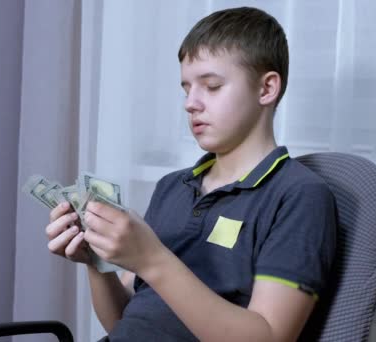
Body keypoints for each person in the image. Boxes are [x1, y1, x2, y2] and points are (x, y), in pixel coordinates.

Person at [45, 6, 336, 342]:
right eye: (187, 89)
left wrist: (153, 259)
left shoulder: (298, 196)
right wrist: (98, 263)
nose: (190, 103)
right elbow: (126, 323)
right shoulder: (173, 188)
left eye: (211, 86)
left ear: (266, 89)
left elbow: (269, 336)